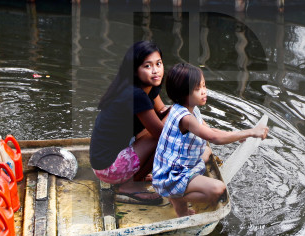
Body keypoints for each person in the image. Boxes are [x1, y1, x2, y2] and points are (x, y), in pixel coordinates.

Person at [152, 62, 267, 217]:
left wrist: (241, 135)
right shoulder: (185, 118)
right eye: (197, 89)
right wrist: (252, 132)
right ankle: (176, 198)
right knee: (218, 190)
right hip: (171, 176)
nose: (204, 92)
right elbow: (213, 137)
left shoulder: (188, 109)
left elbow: (211, 130)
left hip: (174, 167)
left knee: (206, 151)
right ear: (183, 93)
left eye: (204, 86)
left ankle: (178, 194)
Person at [89, 40, 169, 202]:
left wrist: (179, 111)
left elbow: (162, 111)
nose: (155, 71)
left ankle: (135, 176)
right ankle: (130, 185)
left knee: (172, 119)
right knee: (163, 138)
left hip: (105, 161)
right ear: (135, 70)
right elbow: (162, 134)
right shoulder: (135, 94)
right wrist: (184, 111)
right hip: (108, 169)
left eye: (158, 64)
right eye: (147, 66)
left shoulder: (148, 86)